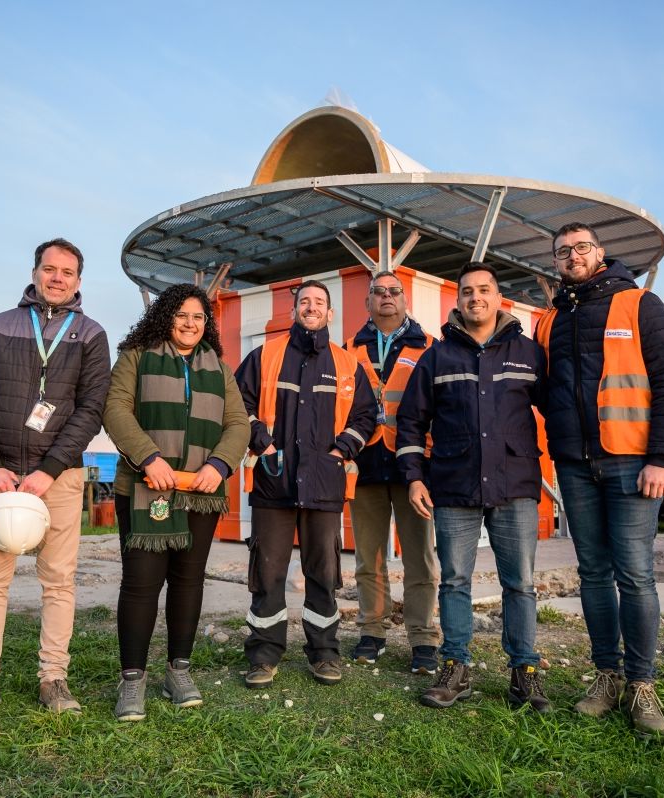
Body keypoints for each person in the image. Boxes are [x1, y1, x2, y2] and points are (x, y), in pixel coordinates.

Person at [0, 238, 111, 724]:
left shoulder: (91, 334)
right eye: (50, 269)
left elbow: (91, 409)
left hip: (57, 478)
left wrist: (48, 469)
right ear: (35, 272)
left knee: (58, 582)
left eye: (68, 272)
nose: (58, 278)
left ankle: (53, 677)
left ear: (79, 281)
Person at [534, 222, 664, 735]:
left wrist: (661, 458)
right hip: (575, 464)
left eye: (581, 248)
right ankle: (607, 675)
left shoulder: (639, 304)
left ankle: (642, 685)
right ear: (556, 262)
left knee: (636, 574)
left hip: (631, 462)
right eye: (563, 251)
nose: (572, 256)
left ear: (599, 252)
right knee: (594, 573)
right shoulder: (548, 320)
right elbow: (543, 391)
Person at [396, 261, 551, 713]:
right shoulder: (438, 356)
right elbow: (410, 422)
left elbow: (557, 410)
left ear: (498, 297)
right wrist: (415, 477)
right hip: (454, 484)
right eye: (467, 292)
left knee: (520, 583)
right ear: (457, 300)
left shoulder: (527, 353)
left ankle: (525, 671)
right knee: (456, 581)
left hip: (516, 485)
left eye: (484, 290)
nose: (475, 298)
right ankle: (456, 667)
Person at [102, 284, 250, 722]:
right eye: (182, 315)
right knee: (141, 584)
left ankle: (179, 671)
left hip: (200, 493)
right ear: (166, 316)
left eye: (199, 317)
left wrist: (220, 466)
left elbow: (238, 423)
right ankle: (133, 680)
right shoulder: (135, 357)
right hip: (144, 487)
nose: (190, 323)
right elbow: (115, 410)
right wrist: (148, 457)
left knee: (189, 582)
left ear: (207, 323)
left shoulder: (219, 368)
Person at [235, 280, 376, 687]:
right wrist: (262, 441)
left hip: (325, 485)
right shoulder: (265, 356)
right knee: (268, 571)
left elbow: (366, 416)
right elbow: (237, 402)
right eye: (304, 302)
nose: (311, 307)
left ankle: (325, 653)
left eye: (320, 302)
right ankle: (263, 654)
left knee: (323, 572)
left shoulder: (347, 364)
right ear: (293, 310)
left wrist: (341, 451)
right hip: (272, 484)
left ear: (330, 314)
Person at [344, 271, 441, 673]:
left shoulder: (430, 347)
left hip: (413, 467)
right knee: (369, 557)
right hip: (365, 465)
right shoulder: (348, 348)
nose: (386, 297)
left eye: (394, 291)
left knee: (420, 557)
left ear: (405, 300)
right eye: (378, 292)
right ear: (367, 302)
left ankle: (422, 638)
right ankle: (372, 630)